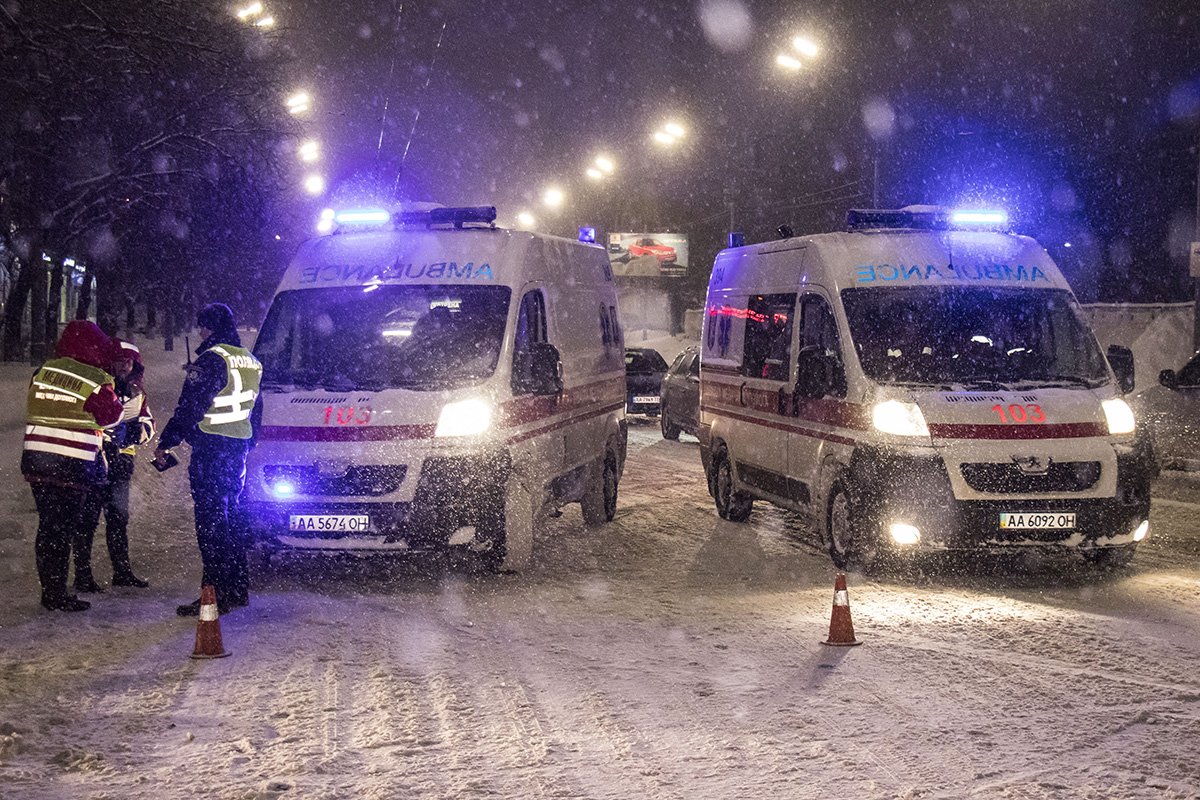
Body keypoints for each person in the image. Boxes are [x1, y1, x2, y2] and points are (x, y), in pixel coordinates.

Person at [155, 303, 262, 616]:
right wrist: (247, 442)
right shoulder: (251, 361)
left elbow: (190, 406)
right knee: (231, 518)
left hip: (212, 450)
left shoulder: (212, 359)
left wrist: (168, 441)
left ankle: (214, 596)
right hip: (236, 451)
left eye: (202, 326)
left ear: (210, 328)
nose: (200, 332)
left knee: (211, 524)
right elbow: (257, 409)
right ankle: (237, 588)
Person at [22, 320, 124, 611]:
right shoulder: (94, 378)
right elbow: (111, 416)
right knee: (63, 529)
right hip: (71, 463)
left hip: (38, 460)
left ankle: (49, 589)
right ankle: (57, 594)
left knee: (47, 526)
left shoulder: (42, 372)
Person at [72, 338, 154, 592]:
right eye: (119, 361)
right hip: (95, 461)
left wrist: (134, 433)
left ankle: (122, 571)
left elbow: (148, 423)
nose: (124, 366)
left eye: (128, 362)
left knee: (118, 518)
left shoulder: (137, 392)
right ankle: (83, 575)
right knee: (88, 519)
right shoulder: (98, 387)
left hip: (121, 463)